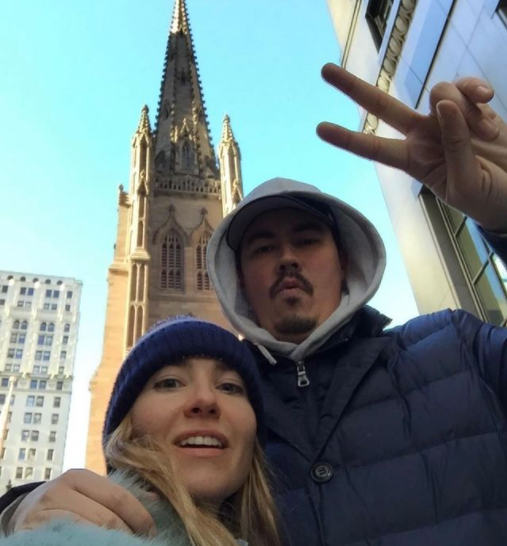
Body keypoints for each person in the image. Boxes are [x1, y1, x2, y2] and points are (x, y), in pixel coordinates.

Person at [1, 63, 507, 546]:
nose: (287, 258)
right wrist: (21, 511)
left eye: (307, 240)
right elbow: (130, 497)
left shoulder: (457, 349)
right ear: (238, 278)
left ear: (346, 259)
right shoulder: (220, 406)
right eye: (263, 248)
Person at [0, 317, 280, 546]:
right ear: (126, 429)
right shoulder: (71, 535)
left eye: (229, 386)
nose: (206, 399)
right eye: (170, 383)